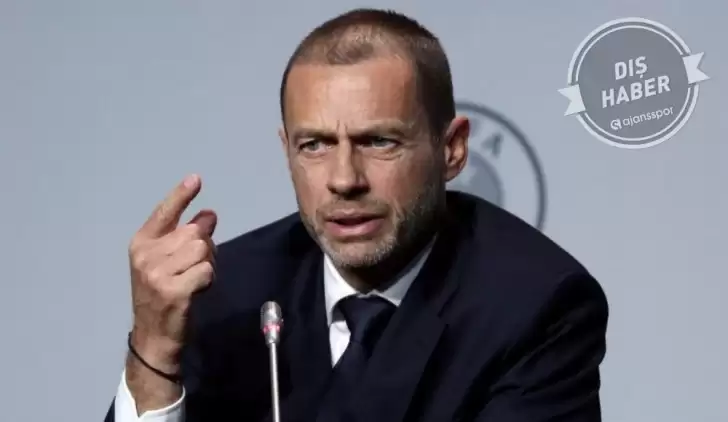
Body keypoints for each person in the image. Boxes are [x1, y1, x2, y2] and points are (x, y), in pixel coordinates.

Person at [104, 7, 609, 422]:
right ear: (287, 151)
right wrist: (154, 351)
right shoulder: (223, 290)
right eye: (315, 145)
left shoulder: (535, 304)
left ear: (451, 149)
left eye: (378, 141)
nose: (344, 179)